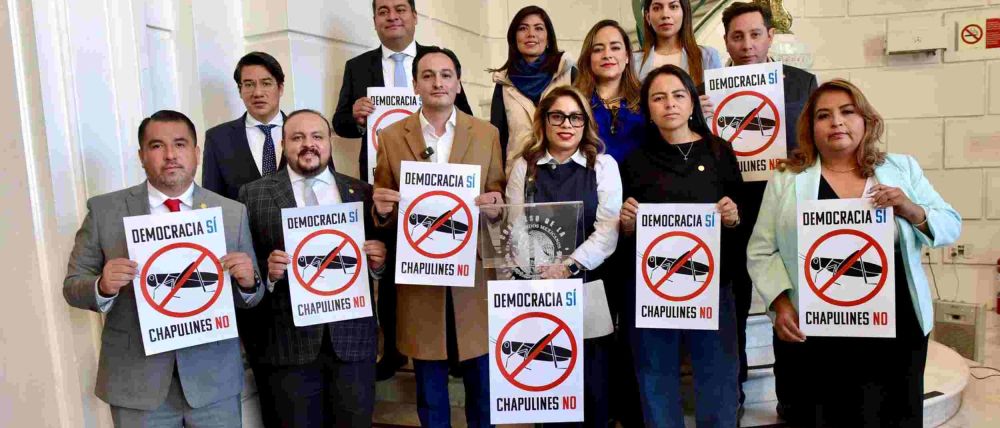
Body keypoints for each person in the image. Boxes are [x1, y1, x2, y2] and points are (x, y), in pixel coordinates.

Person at [747, 79, 961, 427]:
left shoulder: (901, 169)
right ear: (810, 127)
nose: (837, 122)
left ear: (866, 120)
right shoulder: (787, 178)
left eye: (847, 112)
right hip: (815, 328)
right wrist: (780, 302)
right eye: (823, 115)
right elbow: (761, 249)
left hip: (895, 326)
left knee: (892, 416)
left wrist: (910, 208)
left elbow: (951, 224)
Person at [63, 110, 265, 427]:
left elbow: (251, 296)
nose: (170, 155)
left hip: (213, 382)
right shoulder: (105, 211)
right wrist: (101, 286)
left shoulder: (230, 212)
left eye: (180, 144)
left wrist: (249, 282)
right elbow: (73, 285)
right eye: (157, 146)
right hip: (137, 384)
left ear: (196, 153)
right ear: (141, 156)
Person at [331, 0, 473, 379]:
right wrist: (355, 116)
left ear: (414, 16)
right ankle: (393, 349)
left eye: (400, 9)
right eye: (383, 11)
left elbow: (466, 116)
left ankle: (453, 349)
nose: (392, 16)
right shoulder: (357, 66)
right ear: (375, 19)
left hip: (440, 186)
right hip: (384, 184)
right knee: (390, 264)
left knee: (444, 264)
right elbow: (340, 123)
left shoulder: (436, 59)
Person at [373, 46, 505, 428]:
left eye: (446, 75)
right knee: (430, 387)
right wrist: (382, 210)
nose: (438, 82)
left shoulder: (487, 133)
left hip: (473, 273)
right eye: (428, 75)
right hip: (420, 273)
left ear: (458, 83)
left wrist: (495, 206)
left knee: (482, 381)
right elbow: (384, 204)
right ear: (415, 84)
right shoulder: (391, 137)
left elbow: (498, 195)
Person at [238, 109, 388, 427]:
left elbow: (376, 262)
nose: (309, 144)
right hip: (286, 348)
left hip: (351, 345)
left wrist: (379, 263)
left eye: (317, 136)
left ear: (329, 142)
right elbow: (244, 268)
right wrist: (267, 271)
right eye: (297, 137)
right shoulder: (253, 194)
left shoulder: (361, 192)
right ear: (283, 144)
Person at [618, 65, 742, 427]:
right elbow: (626, 235)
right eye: (658, 98)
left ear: (692, 103)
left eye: (678, 95)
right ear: (648, 109)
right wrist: (627, 224)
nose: (669, 104)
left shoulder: (719, 152)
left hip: (711, 285)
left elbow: (742, 218)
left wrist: (732, 216)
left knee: (718, 377)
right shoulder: (635, 161)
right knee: (655, 377)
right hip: (653, 289)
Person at [714, 1, 819, 413]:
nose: (747, 45)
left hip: (785, 207)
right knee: (734, 304)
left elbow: (814, 144)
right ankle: (733, 392)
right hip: (732, 210)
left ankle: (793, 399)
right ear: (726, 41)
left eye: (755, 35)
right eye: (737, 37)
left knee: (788, 299)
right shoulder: (708, 89)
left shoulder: (801, 83)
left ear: (770, 36)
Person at [505, 85, 621, 427]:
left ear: (586, 123)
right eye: (557, 116)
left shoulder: (603, 166)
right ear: (544, 121)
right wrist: (544, 269)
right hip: (539, 286)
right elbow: (516, 227)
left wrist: (567, 266)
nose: (566, 124)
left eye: (575, 117)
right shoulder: (524, 167)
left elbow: (607, 230)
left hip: (590, 282)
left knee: (593, 380)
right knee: (549, 376)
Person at [490, 5, 576, 171]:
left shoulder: (568, 74)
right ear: (514, 38)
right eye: (523, 28)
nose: (531, 34)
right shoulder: (503, 82)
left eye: (538, 28)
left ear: (548, 37)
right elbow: (498, 140)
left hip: (564, 174)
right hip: (518, 176)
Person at [202, 51, 287, 201]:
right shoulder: (218, 138)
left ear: (280, 88)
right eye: (249, 85)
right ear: (240, 91)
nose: (257, 93)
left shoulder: (305, 132)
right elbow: (213, 200)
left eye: (266, 83)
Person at [574, 19, 644, 163]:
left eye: (615, 48)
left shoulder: (647, 100)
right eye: (598, 49)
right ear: (588, 58)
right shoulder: (574, 103)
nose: (607, 55)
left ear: (627, 56)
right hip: (590, 176)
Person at [634, 0, 722, 83]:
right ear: (648, 17)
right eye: (657, 8)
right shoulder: (634, 62)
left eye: (673, 7)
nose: (665, 15)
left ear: (684, 12)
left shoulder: (707, 57)